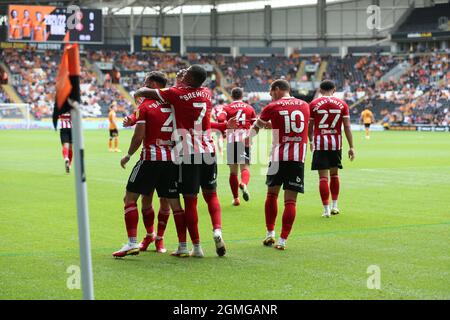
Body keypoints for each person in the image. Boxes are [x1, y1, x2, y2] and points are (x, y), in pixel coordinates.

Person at [134, 65, 225, 258]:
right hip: (209, 150)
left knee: (190, 202)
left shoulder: (174, 93)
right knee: (212, 195)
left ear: (190, 78)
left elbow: (143, 91)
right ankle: (217, 230)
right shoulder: (207, 93)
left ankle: (197, 247)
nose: (181, 74)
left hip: (187, 152)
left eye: (186, 73)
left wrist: (140, 92)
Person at [113, 72, 188, 258]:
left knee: (130, 199)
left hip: (150, 159)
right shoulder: (174, 104)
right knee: (172, 203)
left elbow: (138, 137)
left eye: (146, 83)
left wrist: (128, 155)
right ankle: (180, 244)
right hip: (172, 160)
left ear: (153, 84)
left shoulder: (146, 105)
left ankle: (132, 242)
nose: (143, 86)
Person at [251, 79, 310, 250]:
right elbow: (292, 124)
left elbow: (256, 128)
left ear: (277, 89)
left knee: (271, 196)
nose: (270, 95)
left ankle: (270, 233)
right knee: (290, 202)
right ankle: (283, 240)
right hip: (297, 158)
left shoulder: (272, 107)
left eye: (271, 92)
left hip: (278, 157)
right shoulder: (304, 105)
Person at [308, 80, 355, 217]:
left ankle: (326, 209)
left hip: (320, 144)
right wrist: (351, 146)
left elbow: (309, 127)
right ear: (334, 89)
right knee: (334, 175)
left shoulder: (314, 104)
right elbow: (346, 127)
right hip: (336, 144)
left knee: (323, 178)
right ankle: (335, 206)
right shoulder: (342, 104)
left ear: (320, 90)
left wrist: (311, 141)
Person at [220, 87, 257, 206]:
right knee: (245, 167)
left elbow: (220, 118)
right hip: (244, 140)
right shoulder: (249, 108)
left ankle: (236, 198)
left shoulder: (227, 107)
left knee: (233, 172)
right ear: (242, 96)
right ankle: (244, 183)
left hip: (232, 141)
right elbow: (255, 124)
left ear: (232, 96)